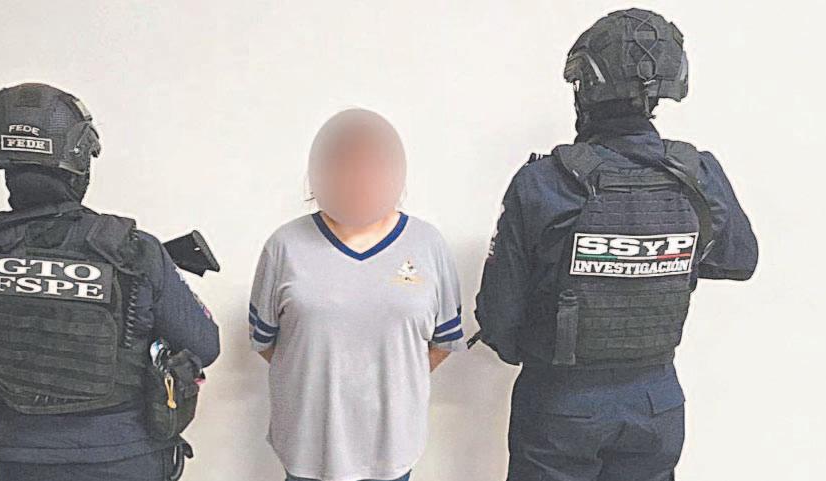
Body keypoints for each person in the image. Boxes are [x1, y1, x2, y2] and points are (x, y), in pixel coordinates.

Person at [472, 9, 759, 481]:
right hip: (656, 403)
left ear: (585, 86)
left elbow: (499, 317)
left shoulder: (545, 181)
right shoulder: (697, 174)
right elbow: (739, 260)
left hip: (561, 402)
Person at [0, 82, 220, 481]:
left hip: (25, 459)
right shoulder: (134, 251)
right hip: (127, 460)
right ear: (79, 157)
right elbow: (204, 345)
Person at [248, 108, 465, 481]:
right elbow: (266, 341)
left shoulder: (428, 244)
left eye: (372, 166)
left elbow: (443, 340)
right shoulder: (284, 245)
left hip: (391, 452)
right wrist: (320, 375)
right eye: (345, 165)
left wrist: (391, 379)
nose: (359, 177)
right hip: (307, 451)